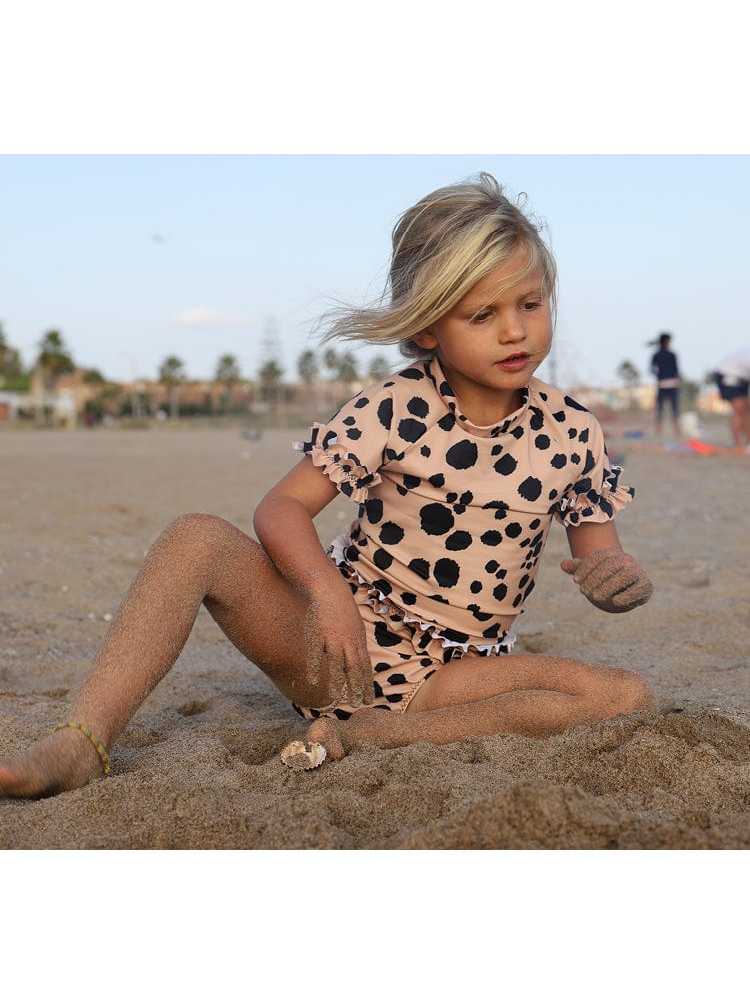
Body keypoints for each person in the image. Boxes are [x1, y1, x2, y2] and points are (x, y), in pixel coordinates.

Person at [0, 173, 655, 799]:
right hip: (339, 647)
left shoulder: (572, 431)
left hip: (457, 679)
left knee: (625, 695)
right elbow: (282, 508)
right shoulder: (394, 408)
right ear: (427, 326)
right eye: (481, 314)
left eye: (530, 305)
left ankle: (387, 734)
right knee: (195, 538)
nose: (515, 330)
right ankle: (82, 741)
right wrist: (326, 594)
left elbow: (597, 547)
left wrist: (612, 575)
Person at [713, 348, 750, 449]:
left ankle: (748, 444)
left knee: (746, 409)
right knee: (739, 409)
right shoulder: (748, 357)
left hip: (743, 379)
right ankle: (738, 445)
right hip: (728, 375)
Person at [650, 331, 681, 436]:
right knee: (674, 409)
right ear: (667, 341)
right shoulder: (672, 355)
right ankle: (676, 431)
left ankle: (659, 432)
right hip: (671, 384)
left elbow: (652, 369)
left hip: (662, 384)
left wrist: (659, 376)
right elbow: (677, 370)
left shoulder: (656, 354)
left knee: (661, 409)